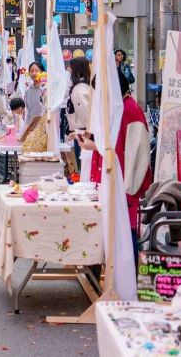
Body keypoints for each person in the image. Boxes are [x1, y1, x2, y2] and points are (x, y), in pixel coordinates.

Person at [76, 70, 152, 245]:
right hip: (115, 187)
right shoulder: (119, 108)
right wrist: (91, 139)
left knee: (125, 239)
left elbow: (135, 156)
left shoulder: (129, 110)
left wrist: (127, 190)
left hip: (124, 190)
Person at [65, 56, 94, 173]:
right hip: (85, 131)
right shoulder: (85, 86)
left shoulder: (79, 89)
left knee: (85, 167)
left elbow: (86, 112)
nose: (69, 70)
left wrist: (84, 133)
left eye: (70, 68)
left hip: (84, 132)